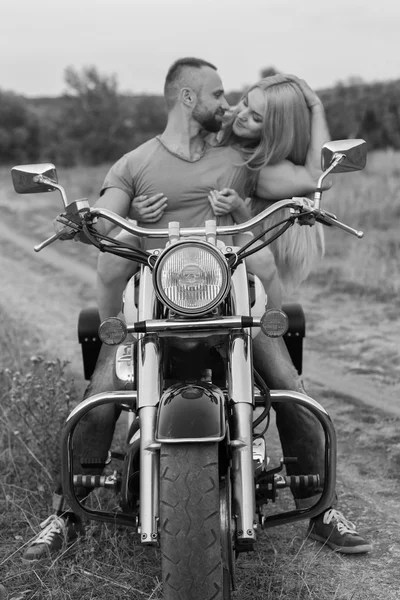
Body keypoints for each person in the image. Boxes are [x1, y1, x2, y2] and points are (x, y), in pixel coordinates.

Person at [22, 58, 371, 562]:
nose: (227, 106)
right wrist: (102, 220)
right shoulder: (135, 163)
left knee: (289, 387)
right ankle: (64, 515)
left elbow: (315, 183)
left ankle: (322, 512)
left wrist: (308, 119)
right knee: (100, 391)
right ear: (188, 99)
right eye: (218, 95)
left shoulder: (238, 161)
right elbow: (108, 219)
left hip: (229, 301)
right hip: (153, 308)